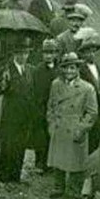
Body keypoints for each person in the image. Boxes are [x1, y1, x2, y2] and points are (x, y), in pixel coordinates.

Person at [47, 52, 98, 199]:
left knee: (76, 163)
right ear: (62, 69)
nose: (69, 71)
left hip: (75, 128)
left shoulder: (87, 88)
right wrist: (51, 124)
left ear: (78, 69)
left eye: (73, 68)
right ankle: (58, 186)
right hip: (59, 126)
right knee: (58, 160)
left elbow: (92, 113)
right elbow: (50, 106)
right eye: (66, 68)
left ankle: (74, 189)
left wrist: (81, 129)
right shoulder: (56, 84)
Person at [0, 41, 34, 184]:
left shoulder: (29, 70)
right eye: (19, 53)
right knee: (7, 145)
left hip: (25, 115)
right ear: (14, 55)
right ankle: (4, 177)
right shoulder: (7, 69)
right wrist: (3, 84)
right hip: (10, 115)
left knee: (20, 145)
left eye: (25, 53)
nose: (22, 56)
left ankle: (15, 176)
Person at [28, 39, 59, 173]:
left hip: (56, 108)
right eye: (46, 53)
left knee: (54, 135)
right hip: (41, 107)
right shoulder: (37, 71)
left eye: (51, 53)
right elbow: (34, 91)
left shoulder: (59, 70)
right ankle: (40, 163)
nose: (48, 56)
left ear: (56, 54)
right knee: (41, 136)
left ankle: (53, 162)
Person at [78, 36, 100, 154]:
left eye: (93, 51)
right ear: (83, 54)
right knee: (89, 141)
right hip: (88, 111)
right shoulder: (81, 69)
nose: (91, 54)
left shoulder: (97, 67)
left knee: (97, 140)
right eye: (88, 51)